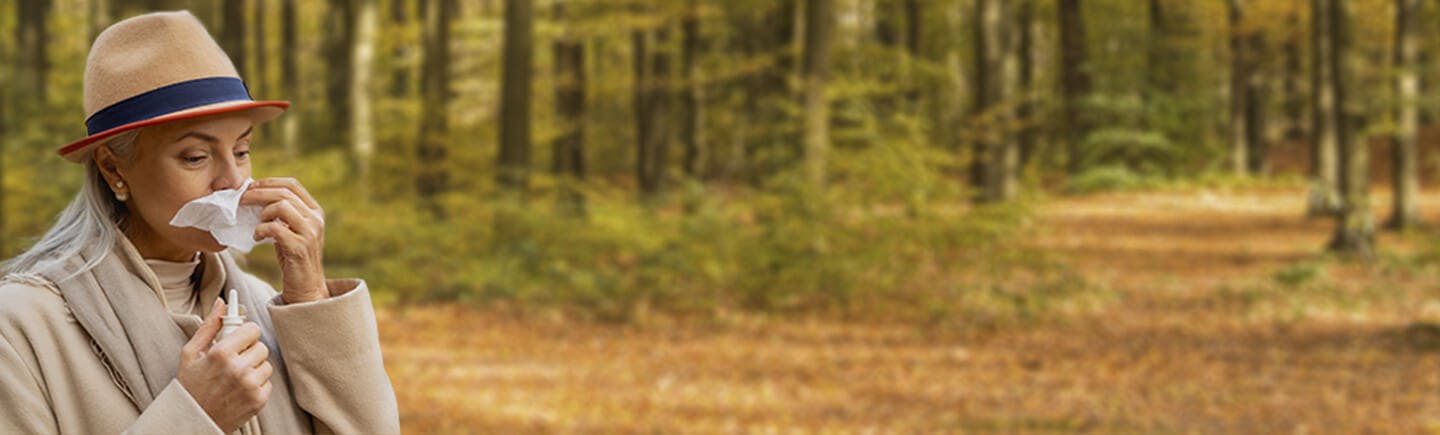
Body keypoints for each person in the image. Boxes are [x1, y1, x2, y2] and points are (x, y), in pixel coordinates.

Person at [0, 11, 399, 434]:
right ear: (113, 169)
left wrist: (312, 300)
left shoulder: (264, 306)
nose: (233, 180)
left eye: (242, 150)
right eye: (196, 156)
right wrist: (194, 416)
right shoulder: (21, 326)